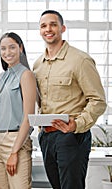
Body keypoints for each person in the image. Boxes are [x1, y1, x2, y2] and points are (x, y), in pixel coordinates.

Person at [33, 10, 107, 189]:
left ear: (62, 28)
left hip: (71, 137)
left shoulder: (80, 60)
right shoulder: (38, 65)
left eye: (53, 24)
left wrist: (77, 124)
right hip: (46, 137)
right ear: (40, 30)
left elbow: (98, 100)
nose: (48, 29)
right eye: (43, 26)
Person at [0, 32, 36, 189]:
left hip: (15, 141)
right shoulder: (0, 77)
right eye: (3, 48)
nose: (7, 52)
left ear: (20, 48)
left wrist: (14, 152)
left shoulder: (26, 75)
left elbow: (29, 117)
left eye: (12, 47)